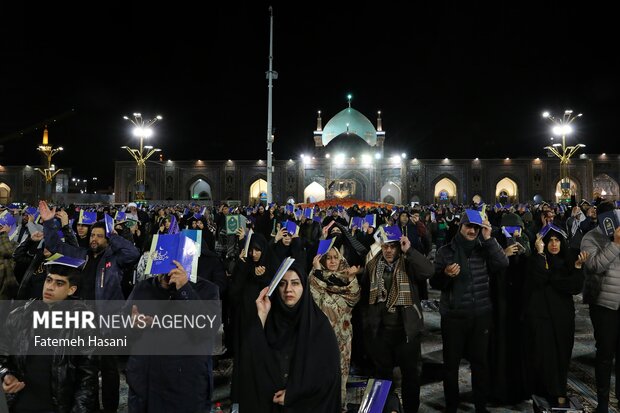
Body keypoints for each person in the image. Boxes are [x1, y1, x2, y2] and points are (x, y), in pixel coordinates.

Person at [430, 210, 509, 413]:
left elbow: (502, 263)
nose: (472, 231)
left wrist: (489, 239)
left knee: (480, 364)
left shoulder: (484, 249)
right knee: (451, 366)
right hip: (454, 316)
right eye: (469, 226)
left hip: (480, 314)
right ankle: (452, 406)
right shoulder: (445, 252)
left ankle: (480, 406)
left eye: (476, 227)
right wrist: (446, 275)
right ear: (461, 227)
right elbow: (435, 282)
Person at [239, 264, 341, 412]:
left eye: (295, 283)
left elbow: (329, 377)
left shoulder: (318, 325)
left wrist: (294, 393)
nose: (288, 289)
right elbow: (249, 361)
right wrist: (261, 314)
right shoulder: (269, 322)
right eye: (282, 284)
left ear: (304, 287)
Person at [0, 263, 98, 413]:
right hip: (18, 404)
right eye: (48, 280)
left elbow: (86, 381)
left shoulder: (83, 325)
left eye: (59, 283)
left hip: (57, 407)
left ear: (71, 290)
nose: (50, 287)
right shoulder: (20, 316)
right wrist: (5, 375)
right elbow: (2, 356)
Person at [125, 260, 219, 413]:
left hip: (184, 389)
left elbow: (206, 329)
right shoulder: (143, 288)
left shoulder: (206, 290)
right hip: (145, 386)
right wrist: (133, 325)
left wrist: (184, 289)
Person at [360, 226, 434, 413]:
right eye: (385, 247)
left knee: (410, 378)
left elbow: (429, 271)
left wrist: (410, 250)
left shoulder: (408, 263)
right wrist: (369, 326)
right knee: (383, 378)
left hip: (406, 332)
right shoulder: (372, 266)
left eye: (393, 247)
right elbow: (365, 298)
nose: (389, 251)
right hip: (382, 333)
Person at [523, 224, 586, 408]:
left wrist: (576, 268)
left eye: (557, 240)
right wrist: (541, 254)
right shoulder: (535, 259)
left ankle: (558, 390)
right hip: (541, 317)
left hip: (562, 319)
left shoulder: (569, 261)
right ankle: (548, 392)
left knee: (562, 355)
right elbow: (540, 277)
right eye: (549, 240)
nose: (553, 244)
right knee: (544, 357)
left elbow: (574, 287)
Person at [309, 247, 361, 411]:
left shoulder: (347, 279)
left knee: (340, 375)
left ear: (341, 259)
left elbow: (354, 298)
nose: (332, 261)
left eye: (335, 258)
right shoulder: (313, 277)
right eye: (328, 258)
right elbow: (315, 300)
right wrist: (317, 272)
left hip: (342, 338)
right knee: (320, 374)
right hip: (320, 337)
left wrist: (352, 278)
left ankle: (340, 407)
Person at [580, 200, 620, 413]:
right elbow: (595, 265)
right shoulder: (590, 237)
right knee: (605, 355)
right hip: (604, 303)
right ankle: (603, 403)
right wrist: (615, 244)